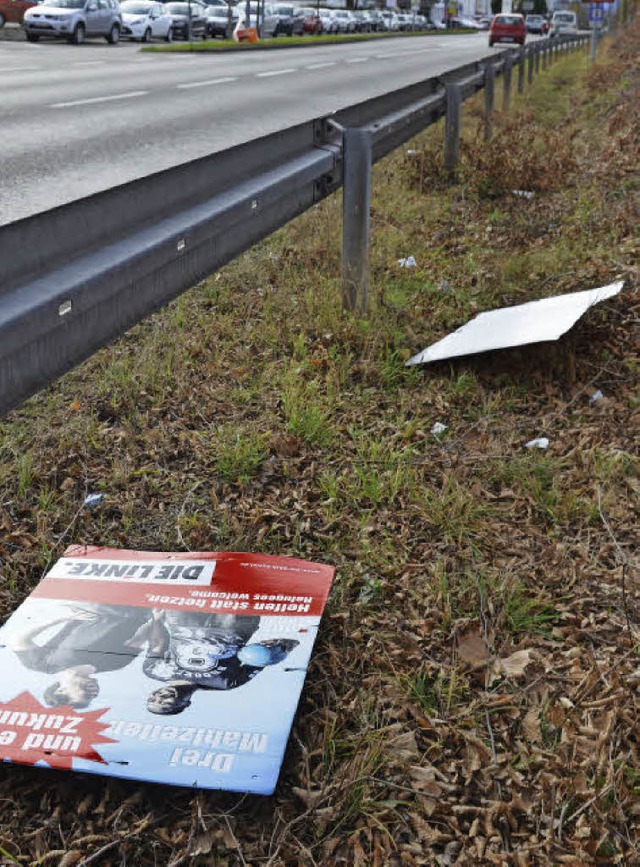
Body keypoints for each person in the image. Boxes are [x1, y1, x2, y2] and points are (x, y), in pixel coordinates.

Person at [131, 612, 299, 715]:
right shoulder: (226, 683)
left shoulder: (152, 670)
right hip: (234, 628)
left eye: (153, 699)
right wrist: (282, 647)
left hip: (181, 622)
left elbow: (157, 643)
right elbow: (261, 660)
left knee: (202, 582)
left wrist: (157, 620)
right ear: (186, 703)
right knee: (243, 587)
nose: (160, 697)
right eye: (165, 704)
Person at [6, 604, 153, 708]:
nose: (94, 692)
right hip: (140, 611)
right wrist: (157, 618)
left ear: (61, 690)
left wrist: (61, 619)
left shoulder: (42, 664)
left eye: (86, 695)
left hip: (99, 606)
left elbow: (17, 640)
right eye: (93, 695)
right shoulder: (114, 664)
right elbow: (140, 637)